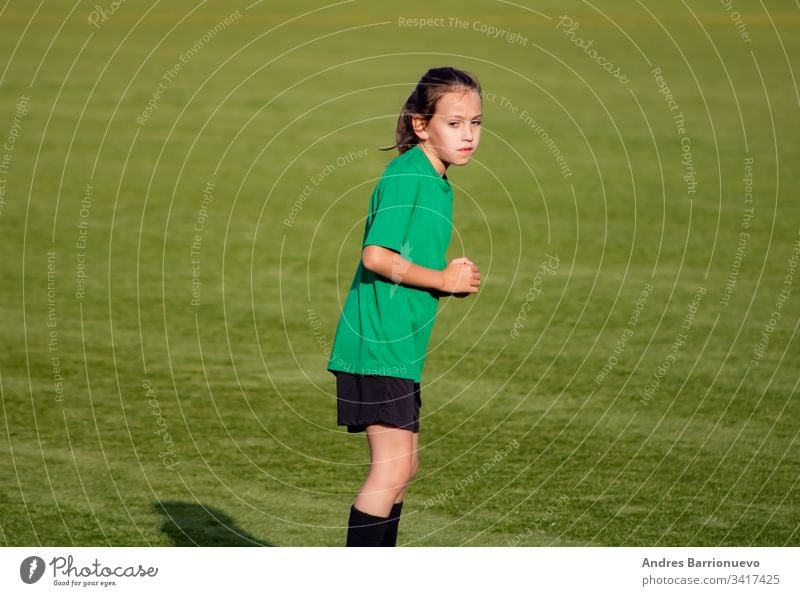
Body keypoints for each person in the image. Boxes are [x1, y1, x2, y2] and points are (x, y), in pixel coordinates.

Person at [327, 66, 483, 547]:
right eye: (454, 123)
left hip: (398, 348)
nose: (468, 135)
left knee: (403, 467)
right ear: (421, 124)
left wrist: (443, 285)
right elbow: (376, 256)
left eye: (476, 123)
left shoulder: (434, 180)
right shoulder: (406, 176)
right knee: (391, 472)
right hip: (377, 345)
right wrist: (441, 279)